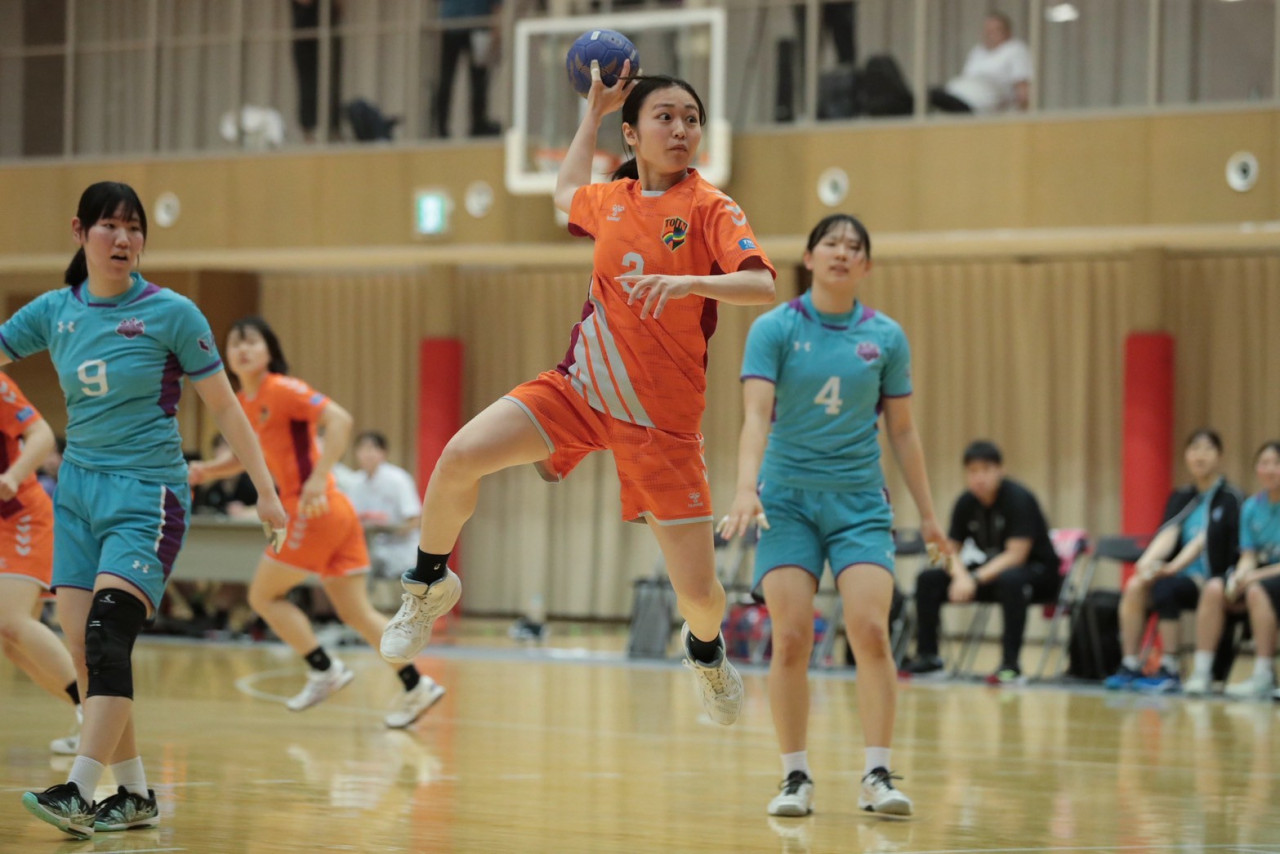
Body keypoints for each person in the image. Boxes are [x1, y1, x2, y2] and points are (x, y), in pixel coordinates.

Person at [381, 65, 777, 729]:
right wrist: (591, 114)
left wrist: (690, 285)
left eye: (691, 119)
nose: (681, 129)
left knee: (701, 597)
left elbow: (762, 284)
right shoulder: (612, 198)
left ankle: (706, 652)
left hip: (662, 424)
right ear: (633, 133)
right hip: (581, 390)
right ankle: (427, 584)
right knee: (458, 456)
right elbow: (566, 193)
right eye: (665, 117)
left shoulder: (710, 206)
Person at [5, 181, 288, 840]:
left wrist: (267, 490)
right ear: (80, 232)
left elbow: (226, 408)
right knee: (85, 648)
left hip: (147, 494)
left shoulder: (172, 313)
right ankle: (133, 794)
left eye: (134, 228)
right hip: (76, 495)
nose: (124, 238)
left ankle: (79, 791)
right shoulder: (54, 311)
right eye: (110, 225)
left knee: (108, 635)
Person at [718, 213, 947, 818]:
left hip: (859, 503)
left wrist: (929, 516)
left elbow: (903, 431)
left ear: (866, 265)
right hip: (786, 501)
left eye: (854, 247)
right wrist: (745, 488)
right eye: (831, 243)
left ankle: (877, 775)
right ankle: (794, 777)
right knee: (791, 637)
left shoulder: (886, 337)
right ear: (810, 257)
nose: (842, 252)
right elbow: (755, 417)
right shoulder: (774, 328)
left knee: (871, 629)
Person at [189, 317, 445, 728]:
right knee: (357, 613)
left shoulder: (282, 389)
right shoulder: (244, 403)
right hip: (334, 513)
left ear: (269, 351)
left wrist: (315, 477)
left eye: (251, 341)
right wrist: (207, 471)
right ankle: (417, 685)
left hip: (315, 509)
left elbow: (340, 420)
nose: (242, 349)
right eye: (235, 343)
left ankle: (323, 668)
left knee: (263, 597)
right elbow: (242, 458)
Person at [908, 440, 1060, 684]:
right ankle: (928, 657)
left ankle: (1010, 666)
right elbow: (945, 551)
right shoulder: (965, 502)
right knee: (927, 579)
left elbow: (1016, 555)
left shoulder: (1019, 498)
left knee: (1011, 580)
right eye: (973, 471)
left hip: (1038, 573)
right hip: (990, 573)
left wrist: (973, 578)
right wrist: (960, 577)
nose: (979, 478)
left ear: (1000, 470)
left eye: (986, 470)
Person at [1104, 429, 1242, 694]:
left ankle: (1170, 666)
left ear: (1219, 456)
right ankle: (1130, 663)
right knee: (1135, 586)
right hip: (1175, 573)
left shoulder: (1230, 497)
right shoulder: (1181, 496)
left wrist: (1171, 569)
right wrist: (1147, 564)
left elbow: (1202, 541)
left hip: (1211, 577)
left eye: (1207, 449)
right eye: (1194, 449)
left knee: (1166, 589)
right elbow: (1168, 533)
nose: (1200, 455)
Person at [0, 373, 82, 755]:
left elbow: (43, 434)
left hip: (21, 515)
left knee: (10, 621)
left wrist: (13, 476)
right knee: (14, 646)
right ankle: (96, 722)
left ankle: (97, 711)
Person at [1186, 439, 1273, 698]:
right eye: (1264, 463)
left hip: (1269, 579)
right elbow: (1248, 554)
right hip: (1258, 575)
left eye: (1276, 464)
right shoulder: (1251, 507)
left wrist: (1253, 577)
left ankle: (1263, 674)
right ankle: (1203, 672)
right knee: (1215, 587)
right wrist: (1240, 575)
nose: (1270, 469)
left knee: (1257, 591)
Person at [345, 431, 422, 580]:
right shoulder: (354, 482)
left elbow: (414, 520)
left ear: (383, 453)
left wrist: (386, 528)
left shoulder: (398, 479)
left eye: (372, 448)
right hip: (369, 548)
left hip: (399, 550)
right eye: (362, 449)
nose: (367, 454)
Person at [928, 12, 1031, 114]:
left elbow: (1023, 91)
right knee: (925, 96)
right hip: (954, 94)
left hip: (976, 106)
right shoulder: (978, 51)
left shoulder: (1015, 49)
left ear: (1008, 32)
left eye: (996, 30)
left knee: (930, 96)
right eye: (988, 30)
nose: (990, 34)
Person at [434, 0, 502, 138]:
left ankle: (475, 125)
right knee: (453, 79)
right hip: (460, 26)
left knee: (477, 80)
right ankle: (444, 127)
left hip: (471, 25)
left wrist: (495, 31)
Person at [291, 0, 343, 142]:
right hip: (307, 36)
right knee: (308, 85)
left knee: (331, 84)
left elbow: (339, 9)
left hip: (328, 34)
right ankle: (308, 132)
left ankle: (333, 129)